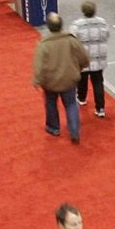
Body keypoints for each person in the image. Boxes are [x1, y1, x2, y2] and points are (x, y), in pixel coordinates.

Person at [34, 13, 90, 143]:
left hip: (50, 82)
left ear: (48, 27)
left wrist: (37, 80)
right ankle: (74, 130)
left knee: (51, 103)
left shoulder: (44, 45)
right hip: (69, 80)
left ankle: (53, 128)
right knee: (71, 104)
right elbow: (84, 57)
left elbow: (39, 65)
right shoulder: (71, 40)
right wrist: (79, 68)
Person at [73, 2, 111, 119]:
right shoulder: (102, 22)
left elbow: (72, 40)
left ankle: (81, 98)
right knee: (98, 82)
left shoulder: (77, 25)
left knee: (82, 79)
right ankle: (100, 108)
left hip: (84, 58)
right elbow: (107, 35)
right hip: (98, 57)